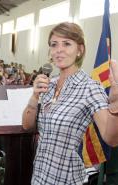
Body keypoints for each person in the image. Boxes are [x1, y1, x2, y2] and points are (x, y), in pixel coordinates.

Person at [22, 22, 118, 184]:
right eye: (54, 45)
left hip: (66, 178)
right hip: (39, 175)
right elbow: (27, 126)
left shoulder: (90, 87)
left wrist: (115, 105)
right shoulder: (48, 84)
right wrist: (34, 97)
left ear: (80, 50)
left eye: (67, 43)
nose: (59, 49)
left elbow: (111, 139)